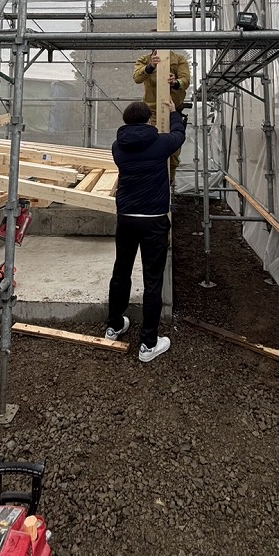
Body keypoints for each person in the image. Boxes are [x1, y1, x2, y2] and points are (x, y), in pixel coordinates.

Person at [105, 99, 187, 362]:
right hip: (154, 220)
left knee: (121, 271)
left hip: (126, 218)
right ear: (149, 120)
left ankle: (115, 324)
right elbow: (179, 135)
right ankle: (149, 343)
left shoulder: (118, 147)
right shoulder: (160, 143)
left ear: (126, 121)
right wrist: (174, 113)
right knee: (153, 279)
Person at [133, 48, 190, 184]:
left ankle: (169, 182)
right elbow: (137, 78)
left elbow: (185, 80)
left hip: (173, 109)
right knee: (150, 147)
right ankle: (151, 181)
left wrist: (176, 82)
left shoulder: (178, 59)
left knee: (173, 150)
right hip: (151, 112)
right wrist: (150, 67)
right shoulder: (145, 60)